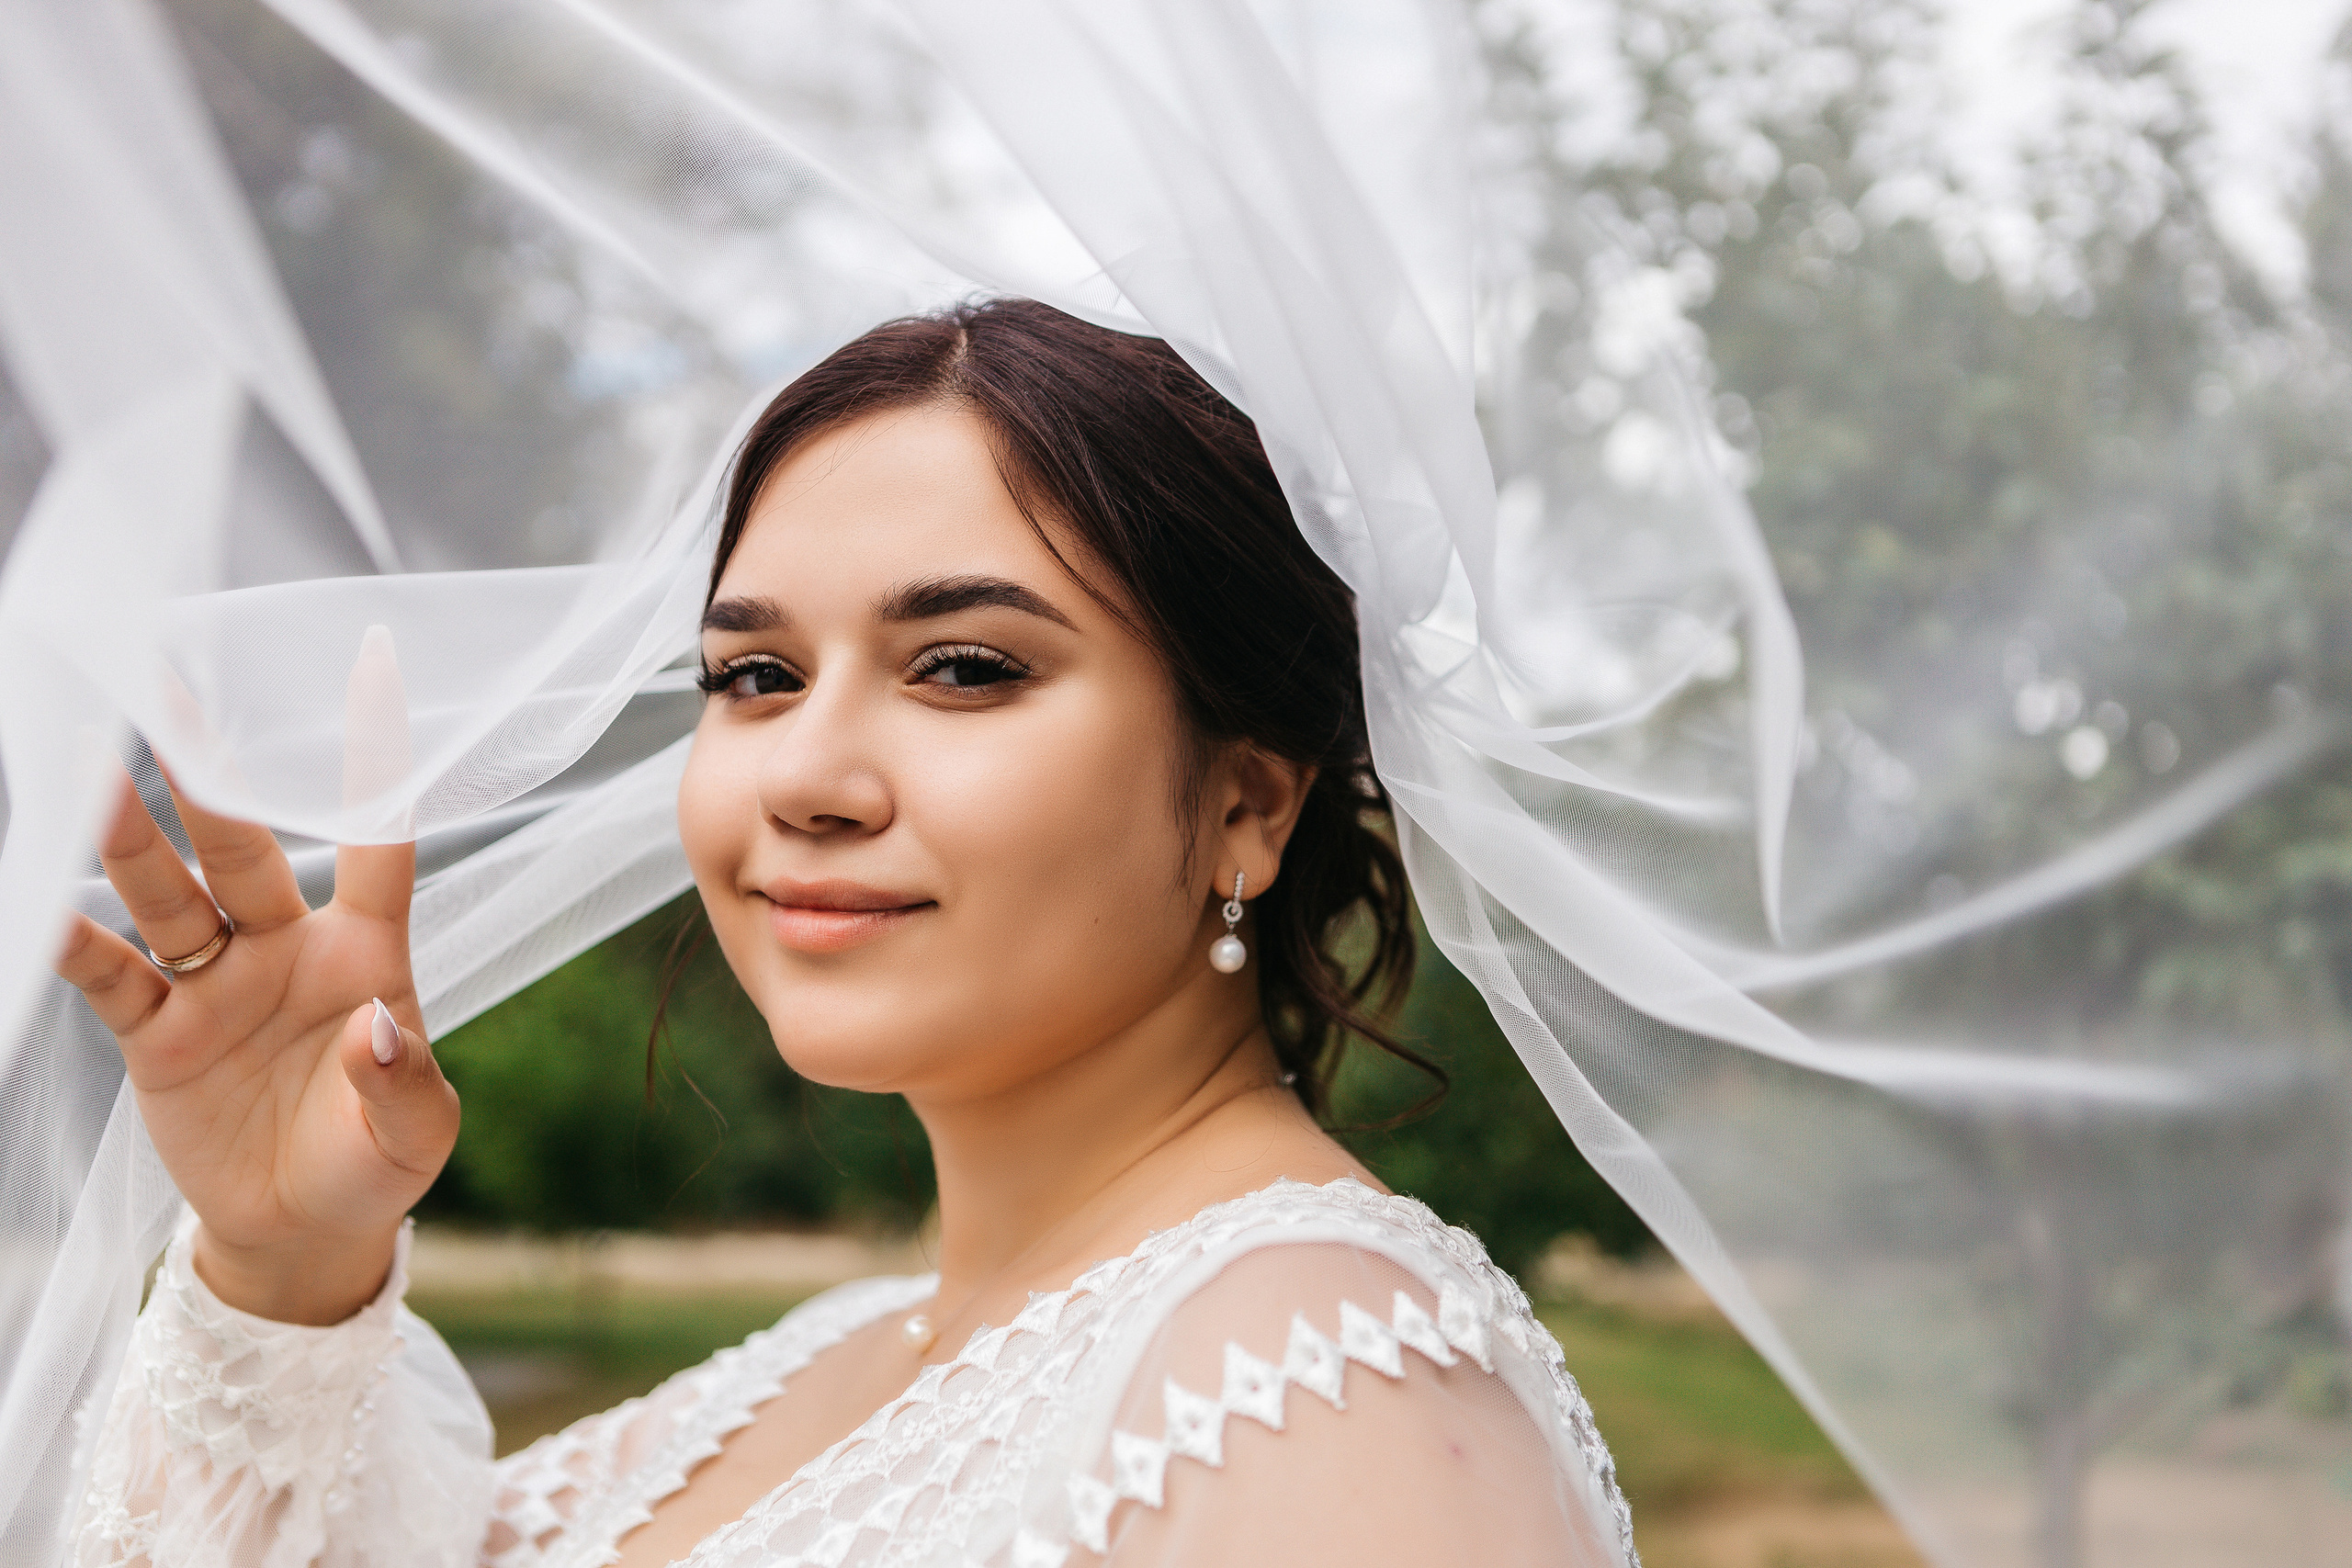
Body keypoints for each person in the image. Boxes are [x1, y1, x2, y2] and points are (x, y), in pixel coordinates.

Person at [56, 299, 1634, 1568]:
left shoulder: (1322, 1391)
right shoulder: (815, 1369)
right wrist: (285, 1267)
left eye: (961, 667)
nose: (804, 776)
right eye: (755, 679)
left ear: (1247, 806)